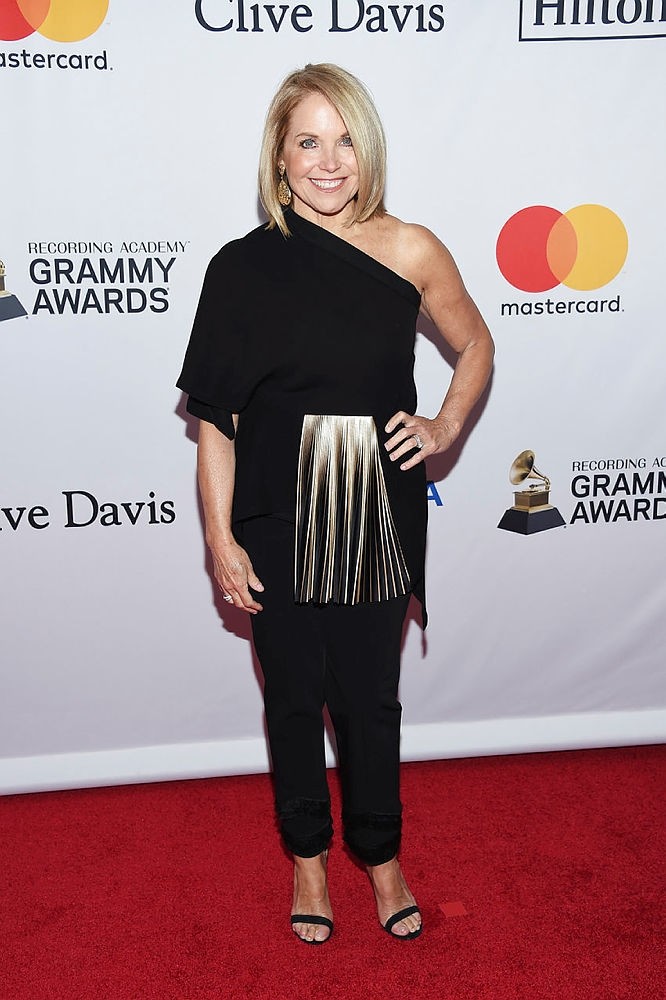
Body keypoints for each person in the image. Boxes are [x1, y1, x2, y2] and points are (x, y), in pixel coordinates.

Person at [177, 63, 494, 945]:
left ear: (369, 147)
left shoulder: (412, 248)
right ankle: (309, 858)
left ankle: (381, 854)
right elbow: (217, 424)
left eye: (345, 138)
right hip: (276, 501)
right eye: (308, 141)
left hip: (368, 491)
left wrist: (446, 423)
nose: (328, 160)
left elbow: (474, 341)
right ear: (279, 158)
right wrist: (219, 540)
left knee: (368, 699)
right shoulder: (239, 270)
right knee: (291, 698)